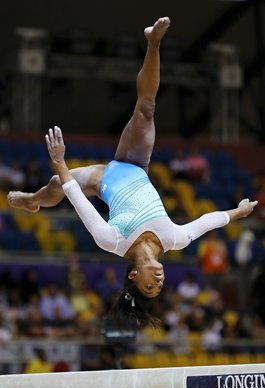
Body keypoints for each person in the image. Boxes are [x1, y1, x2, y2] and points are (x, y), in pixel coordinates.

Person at [8, 17, 257, 329]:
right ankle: (153, 42)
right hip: (135, 166)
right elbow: (209, 221)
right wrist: (239, 211)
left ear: (134, 276)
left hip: (103, 180)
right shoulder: (174, 239)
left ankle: (33, 199)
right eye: (160, 286)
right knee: (147, 108)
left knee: (60, 183)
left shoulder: (112, 241)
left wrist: (60, 160)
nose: (159, 281)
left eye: (150, 286)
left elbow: (77, 200)